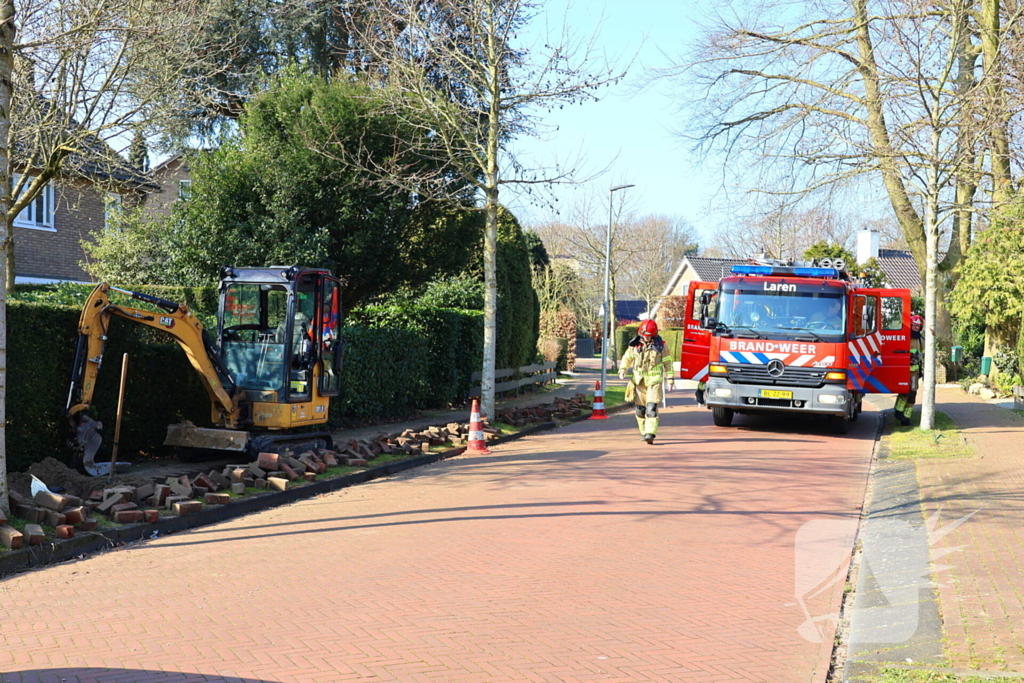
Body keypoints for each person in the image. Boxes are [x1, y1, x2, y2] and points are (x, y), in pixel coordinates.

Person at [619, 319, 675, 444]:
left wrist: (670, 379)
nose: (646, 338)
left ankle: (650, 433)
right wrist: (622, 370)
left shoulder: (661, 346)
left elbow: (668, 363)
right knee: (640, 410)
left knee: (651, 408)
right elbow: (627, 358)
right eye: (644, 335)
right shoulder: (634, 345)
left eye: (649, 336)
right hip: (639, 382)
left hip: (654, 382)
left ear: (654, 335)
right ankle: (644, 432)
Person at [894, 313, 924, 426]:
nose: (916, 328)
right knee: (904, 391)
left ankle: (906, 418)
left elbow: (925, 355)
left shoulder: (921, 340)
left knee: (913, 394)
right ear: (910, 325)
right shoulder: (904, 337)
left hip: (915, 372)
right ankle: (898, 411)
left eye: (918, 326)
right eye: (914, 325)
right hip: (904, 370)